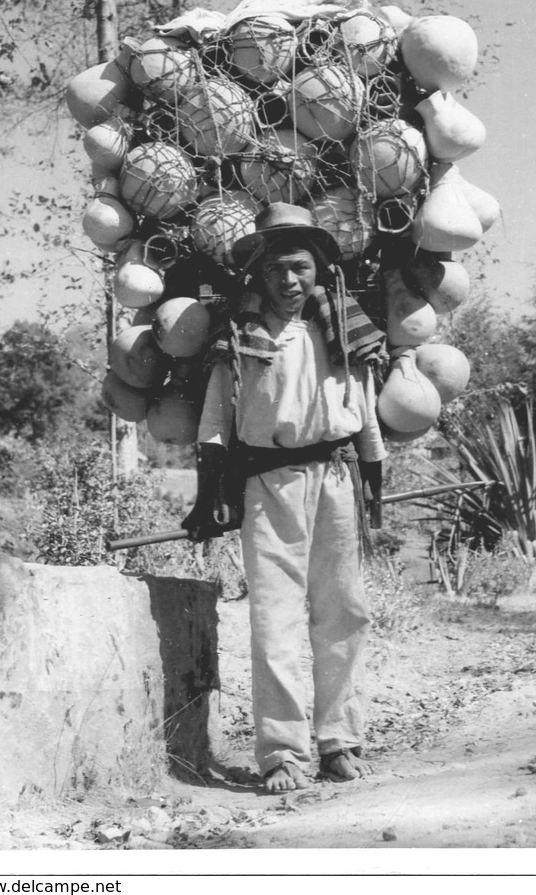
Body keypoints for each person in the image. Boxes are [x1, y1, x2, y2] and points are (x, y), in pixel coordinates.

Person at [181, 202, 387, 793]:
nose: (289, 281)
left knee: (344, 611)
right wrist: (207, 498)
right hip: (267, 487)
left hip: (337, 479)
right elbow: (215, 424)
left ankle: (339, 740)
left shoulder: (345, 333)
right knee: (274, 618)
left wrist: (372, 486)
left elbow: (365, 415)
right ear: (259, 276)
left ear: (318, 270)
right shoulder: (238, 340)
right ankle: (282, 752)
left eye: (300, 268)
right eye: (277, 270)